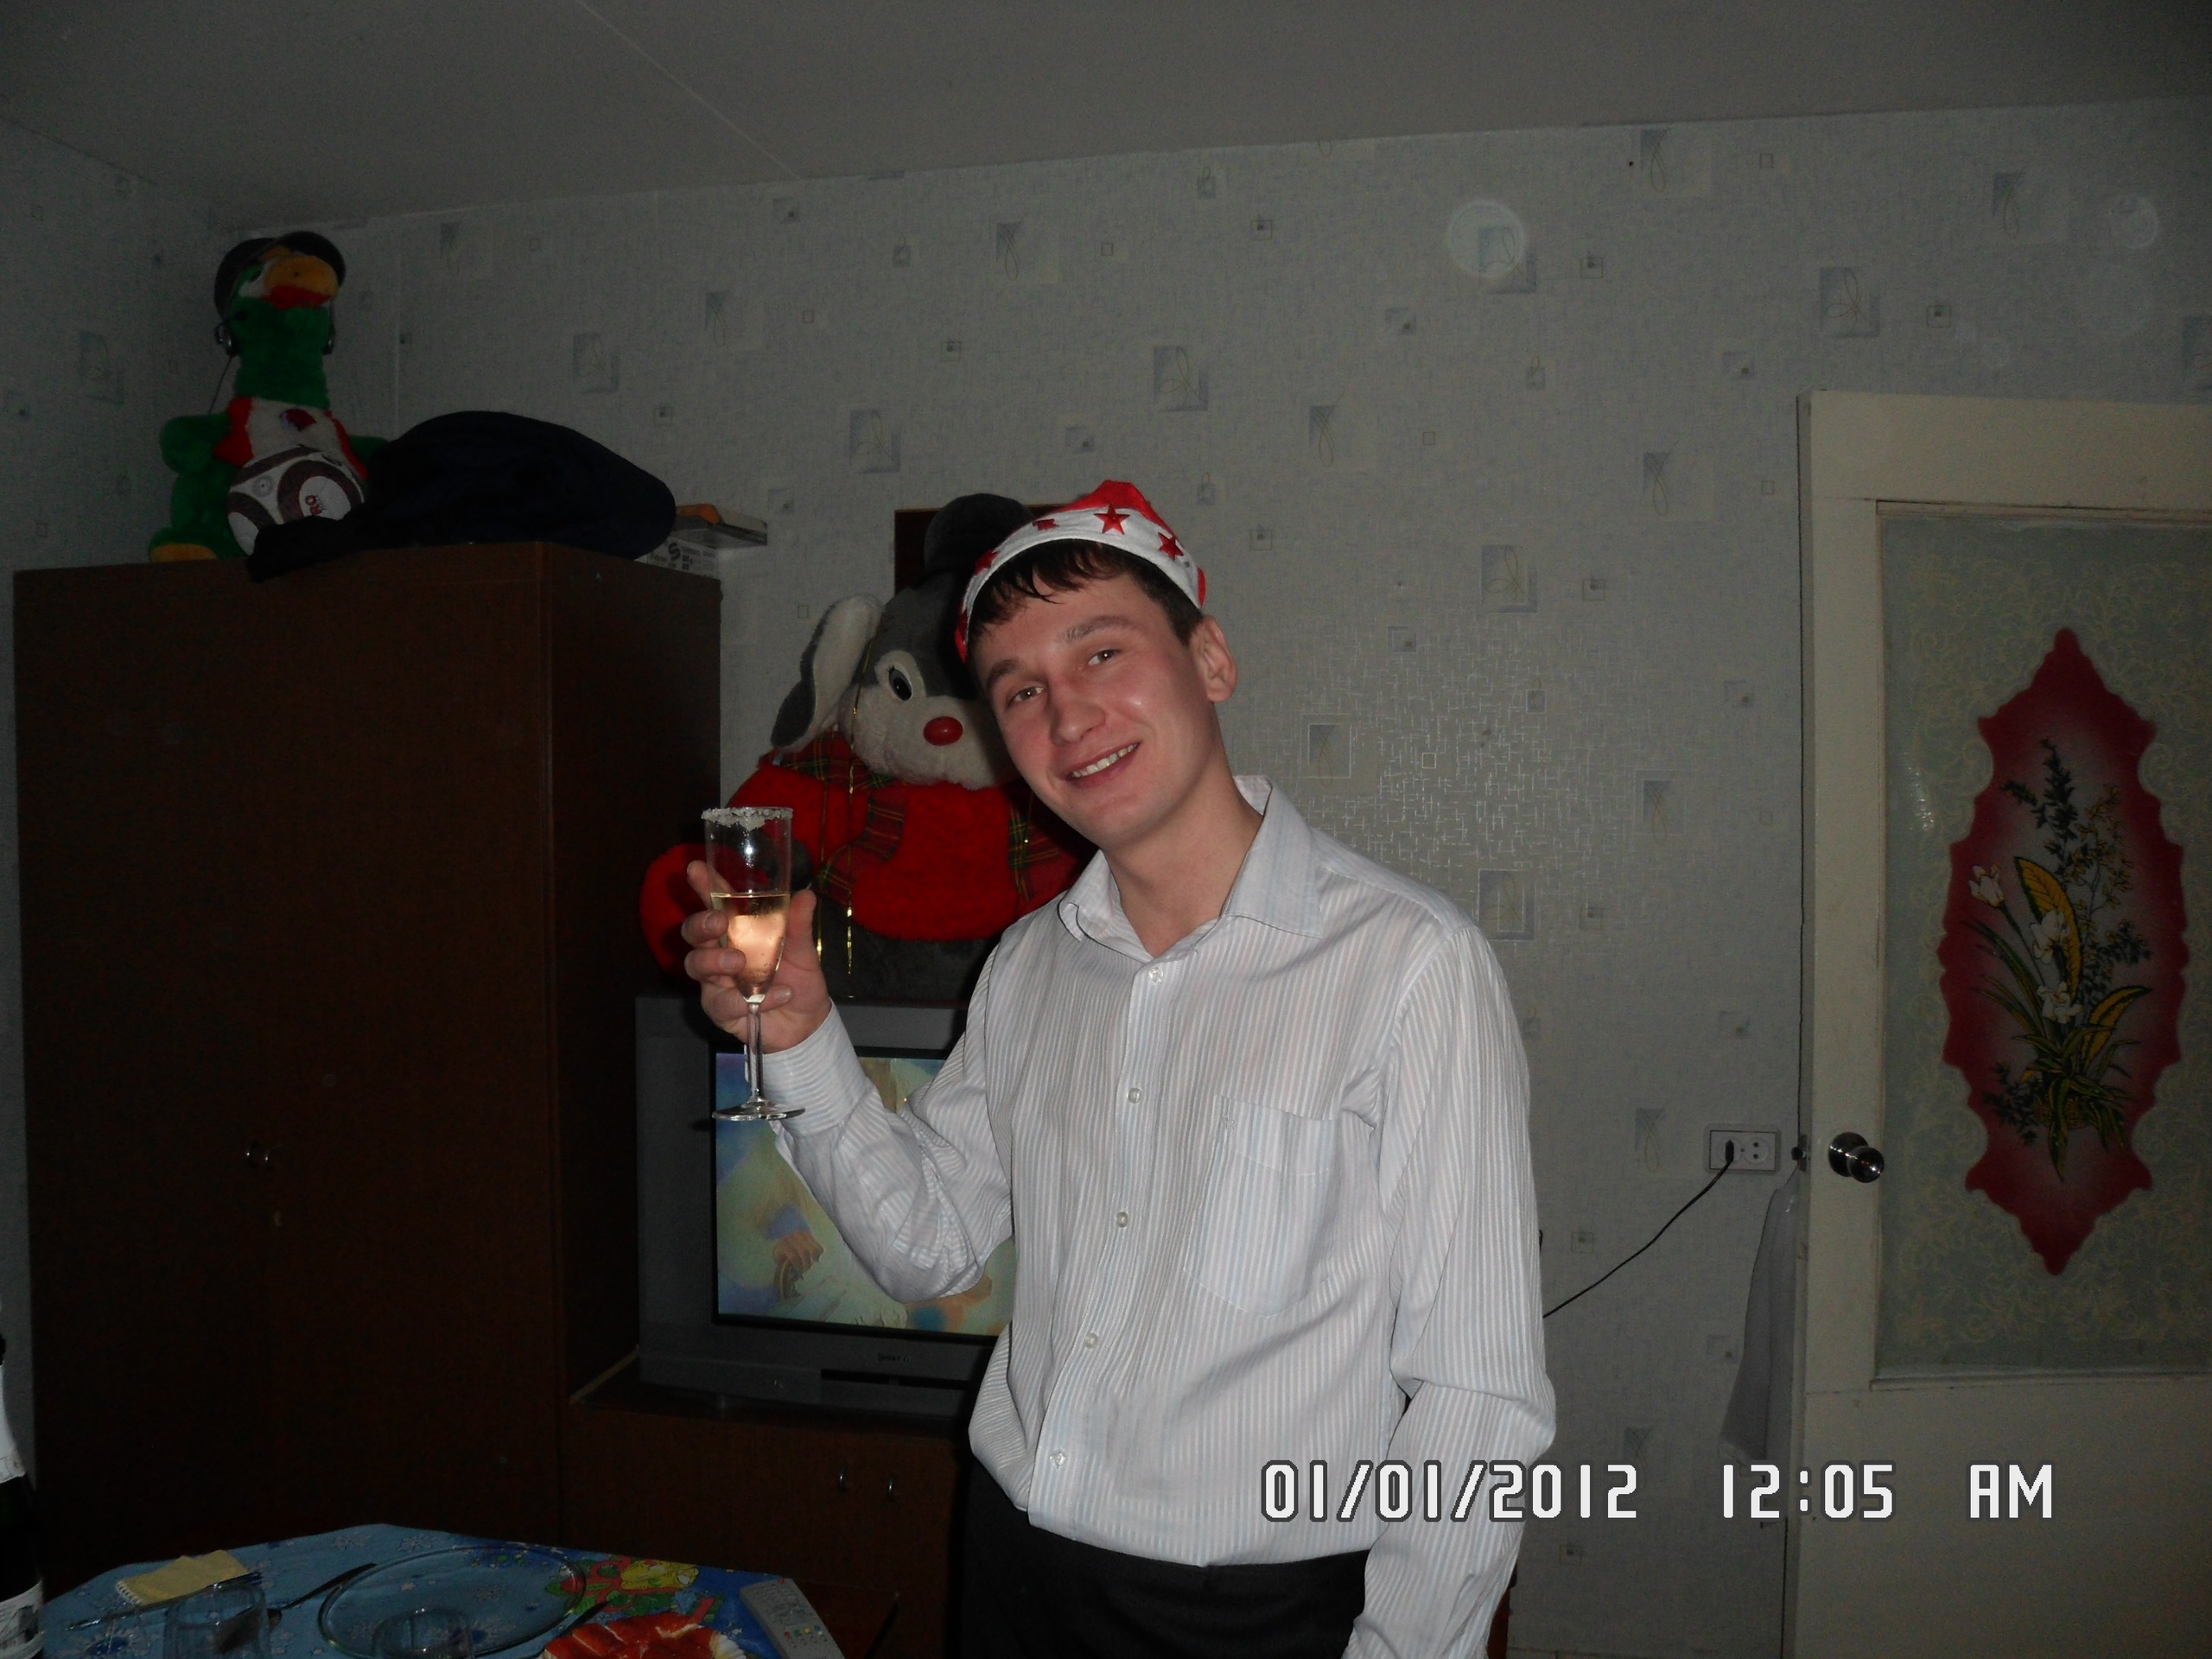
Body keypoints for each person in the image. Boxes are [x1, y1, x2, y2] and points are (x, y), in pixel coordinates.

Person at [683, 481, 1553, 1658]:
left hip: (1257, 1612)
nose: (1068, 713)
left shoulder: (1409, 966)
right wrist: (797, 1038)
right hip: (1013, 1566)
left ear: (1211, 660)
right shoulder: (1029, 966)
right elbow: (929, 1242)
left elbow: (1479, 1395)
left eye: (1102, 652)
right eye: (1020, 690)